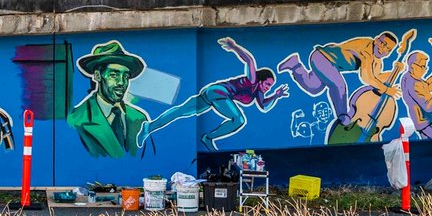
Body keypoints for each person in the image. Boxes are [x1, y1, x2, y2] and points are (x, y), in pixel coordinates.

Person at [139, 37, 289, 151]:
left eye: (271, 86)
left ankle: (148, 127)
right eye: (268, 84)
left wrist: (276, 95)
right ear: (261, 79)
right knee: (238, 119)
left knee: (180, 112)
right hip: (218, 93)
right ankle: (208, 137)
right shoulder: (253, 79)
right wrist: (234, 47)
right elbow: (249, 60)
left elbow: (264, 107)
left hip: (211, 95)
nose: (268, 87)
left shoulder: (258, 93)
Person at [278, 29, 415, 133]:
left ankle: (295, 64)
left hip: (330, 64)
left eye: (388, 49)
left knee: (313, 86)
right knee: (339, 85)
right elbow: (367, 78)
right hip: (322, 57)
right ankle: (343, 117)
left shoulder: (376, 60)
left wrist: (396, 71)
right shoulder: (367, 49)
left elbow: (377, 77)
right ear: (377, 39)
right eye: (383, 43)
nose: (383, 49)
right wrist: (386, 90)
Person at [67, 41, 151, 158]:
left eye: (125, 76)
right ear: (97, 75)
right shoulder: (76, 120)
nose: (121, 82)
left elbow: (149, 159)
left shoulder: (139, 119)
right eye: (113, 75)